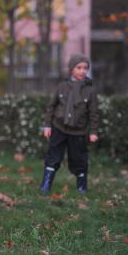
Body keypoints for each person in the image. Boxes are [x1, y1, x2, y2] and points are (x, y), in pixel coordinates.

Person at [39, 54, 99, 194]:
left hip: (78, 132)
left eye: (85, 68)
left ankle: (82, 185)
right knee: (53, 156)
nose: (82, 71)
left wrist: (94, 131)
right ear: (72, 69)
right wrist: (47, 125)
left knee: (79, 159)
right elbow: (51, 107)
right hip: (59, 128)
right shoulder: (62, 86)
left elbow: (94, 113)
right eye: (79, 68)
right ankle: (46, 183)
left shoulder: (90, 90)